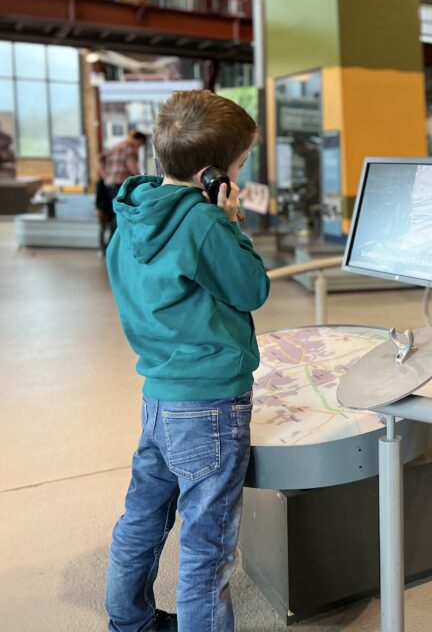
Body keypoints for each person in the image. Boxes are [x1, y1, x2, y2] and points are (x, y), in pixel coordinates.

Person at [104, 90, 270, 632]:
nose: (241, 177)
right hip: (210, 404)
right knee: (208, 542)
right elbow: (251, 289)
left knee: (143, 515)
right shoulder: (203, 225)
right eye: (240, 166)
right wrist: (230, 225)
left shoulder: (131, 217)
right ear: (210, 176)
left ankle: (127, 621)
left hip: (158, 396)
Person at [99, 130, 148, 238]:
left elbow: (100, 158)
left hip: (110, 185)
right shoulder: (130, 147)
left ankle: (109, 245)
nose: (139, 147)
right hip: (121, 185)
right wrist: (143, 178)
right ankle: (113, 244)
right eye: (141, 145)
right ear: (139, 140)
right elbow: (132, 165)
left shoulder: (116, 145)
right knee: (121, 216)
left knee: (115, 215)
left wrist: (105, 176)